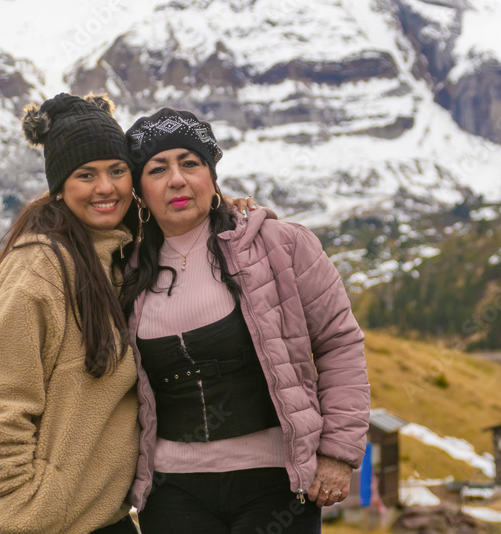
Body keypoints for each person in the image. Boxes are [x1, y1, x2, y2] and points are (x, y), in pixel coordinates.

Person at [0, 94, 257, 534]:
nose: (106, 188)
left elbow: (184, 219)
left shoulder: (125, 257)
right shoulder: (40, 265)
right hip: (10, 516)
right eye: (86, 175)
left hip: (89, 515)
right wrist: (24, 503)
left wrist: (223, 209)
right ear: (60, 187)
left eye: (117, 171)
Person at [120, 108, 370, 533]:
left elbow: (338, 344)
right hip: (171, 493)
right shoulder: (125, 272)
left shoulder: (280, 245)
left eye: (190, 163)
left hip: (276, 486)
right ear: (140, 191)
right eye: (157, 169)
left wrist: (338, 453)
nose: (176, 179)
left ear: (212, 176)